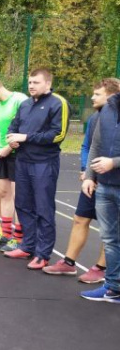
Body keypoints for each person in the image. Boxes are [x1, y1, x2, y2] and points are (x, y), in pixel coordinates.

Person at [43, 79, 119, 280]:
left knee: (109, 228)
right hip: (95, 180)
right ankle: (68, 262)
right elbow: (88, 146)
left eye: (97, 94)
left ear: (112, 96)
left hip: (114, 181)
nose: (92, 97)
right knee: (80, 218)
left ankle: (101, 269)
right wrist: (88, 171)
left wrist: (111, 163)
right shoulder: (96, 118)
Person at [4, 68, 69, 270]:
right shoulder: (24, 104)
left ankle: (43, 254)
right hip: (22, 161)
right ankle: (27, 246)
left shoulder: (58, 103)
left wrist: (26, 138)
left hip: (44, 163)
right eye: (30, 82)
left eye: (36, 82)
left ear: (47, 84)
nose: (31, 85)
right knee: (23, 205)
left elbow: (58, 134)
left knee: (43, 208)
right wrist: (11, 139)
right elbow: (13, 127)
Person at [81, 87, 120, 303]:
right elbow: (96, 144)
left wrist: (113, 163)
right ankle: (113, 288)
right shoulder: (108, 109)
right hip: (105, 186)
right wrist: (89, 176)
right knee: (111, 240)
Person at [0, 78, 28, 251]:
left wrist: (9, 148)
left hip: (17, 154)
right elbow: (1, 131)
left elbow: (25, 128)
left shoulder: (19, 100)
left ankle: (18, 237)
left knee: (18, 196)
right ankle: (6, 234)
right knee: (3, 193)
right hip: (2, 154)